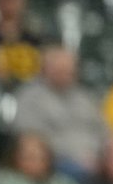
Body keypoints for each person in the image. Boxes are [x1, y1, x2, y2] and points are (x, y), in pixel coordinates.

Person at [12, 46, 108, 175]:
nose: (65, 74)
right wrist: (78, 157)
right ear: (45, 69)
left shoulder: (85, 98)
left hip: (95, 160)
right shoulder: (30, 98)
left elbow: (104, 130)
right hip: (59, 163)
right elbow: (33, 141)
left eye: (69, 70)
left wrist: (103, 156)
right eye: (59, 69)